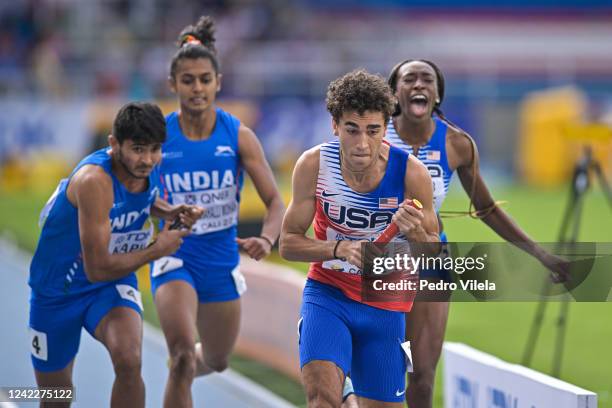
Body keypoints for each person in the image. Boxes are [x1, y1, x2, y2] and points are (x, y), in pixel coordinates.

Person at [384, 59, 570, 408]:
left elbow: (485, 209)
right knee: (391, 368)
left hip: (430, 260)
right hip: (381, 261)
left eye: (427, 79)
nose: (419, 84)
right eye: (409, 78)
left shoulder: (457, 144)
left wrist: (541, 254)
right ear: (395, 92)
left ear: (437, 93)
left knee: (421, 376)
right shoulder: (375, 135)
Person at [280, 69, 439, 408]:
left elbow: (433, 256)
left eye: (373, 131)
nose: (362, 144)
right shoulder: (314, 165)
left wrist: (416, 233)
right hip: (328, 294)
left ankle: (351, 393)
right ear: (335, 125)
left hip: (385, 304)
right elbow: (288, 243)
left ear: (386, 129)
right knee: (322, 399)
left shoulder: (411, 173)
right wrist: (339, 248)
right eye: (351, 129)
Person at [28, 101, 203, 408]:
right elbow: (97, 268)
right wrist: (157, 249)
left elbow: (143, 196)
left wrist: (168, 209)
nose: (147, 159)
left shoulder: (146, 168)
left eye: (154, 149)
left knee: (129, 359)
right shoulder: (94, 181)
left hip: (109, 287)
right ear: (113, 144)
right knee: (57, 397)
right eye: (137, 149)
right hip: (58, 291)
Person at [150, 16, 285, 408]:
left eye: (205, 79)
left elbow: (275, 201)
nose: (197, 88)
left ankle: (185, 370)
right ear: (173, 84)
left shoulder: (238, 135)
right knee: (180, 358)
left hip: (221, 261)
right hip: (174, 256)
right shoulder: (158, 135)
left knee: (216, 359)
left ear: (218, 82)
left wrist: (266, 237)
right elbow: (133, 191)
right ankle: (180, 371)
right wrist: (168, 209)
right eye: (188, 80)